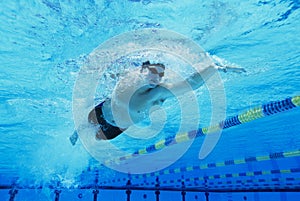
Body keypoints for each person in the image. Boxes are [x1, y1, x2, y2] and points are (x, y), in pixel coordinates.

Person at [88, 60, 245, 140]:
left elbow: (190, 84)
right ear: (141, 70)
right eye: (153, 72)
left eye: (160, 75)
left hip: (117, 128)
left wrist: (216, 68)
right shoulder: (126, 77)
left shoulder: (158, 93)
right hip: (100, 112)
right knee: (83, 128)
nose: (156, 77)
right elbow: (106, 75)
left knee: (95, 140)